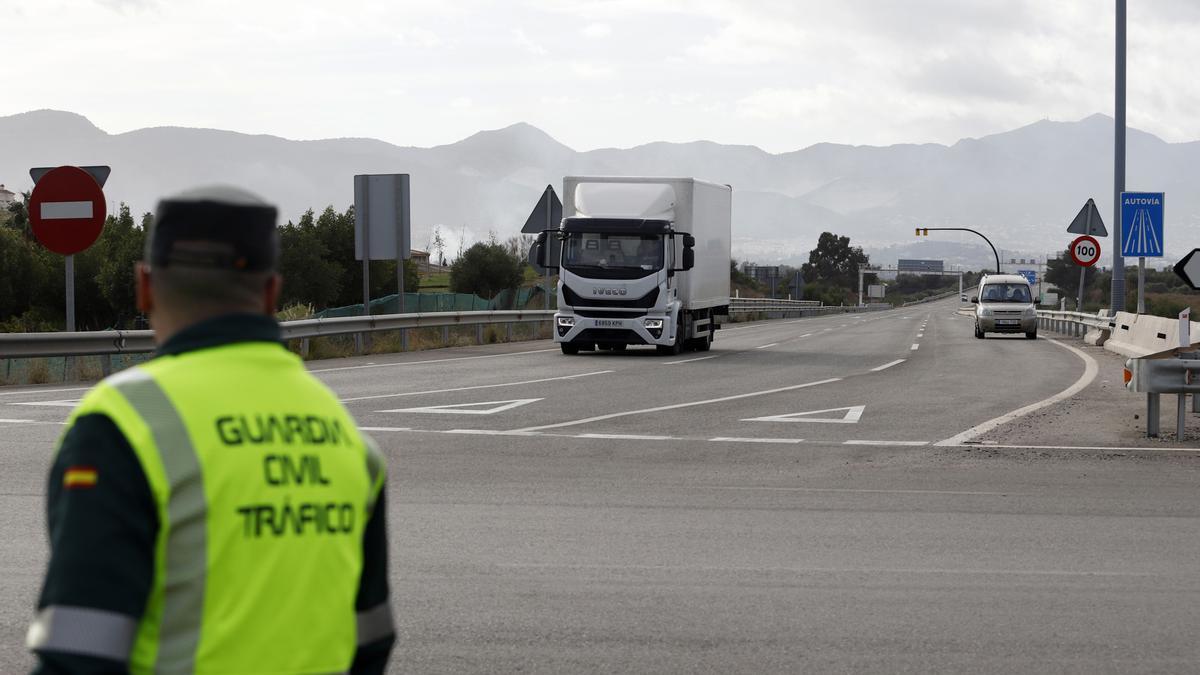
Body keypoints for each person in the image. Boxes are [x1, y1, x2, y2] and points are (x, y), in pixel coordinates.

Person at [27, 186, 394, 674]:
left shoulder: (121, 425)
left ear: (144, 286)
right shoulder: (344, 434)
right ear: (270, 294)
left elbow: (79, 656)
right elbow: (370, 639)